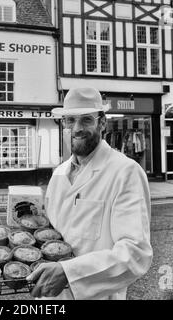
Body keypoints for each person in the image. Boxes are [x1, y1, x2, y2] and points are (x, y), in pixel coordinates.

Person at [26, 87, 153, 300]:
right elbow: (49, 234)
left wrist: (69, 273)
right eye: (70, 120)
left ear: (102, 123)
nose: (77, 128)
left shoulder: (125, 172)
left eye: (86, 120)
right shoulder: (59, 174)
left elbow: (135, 254)